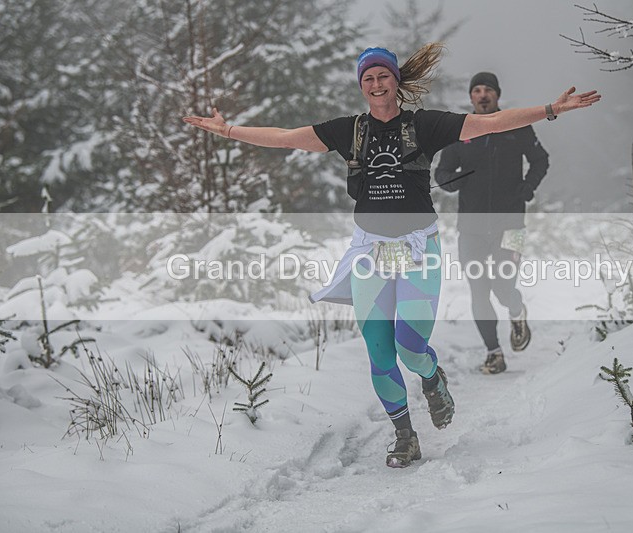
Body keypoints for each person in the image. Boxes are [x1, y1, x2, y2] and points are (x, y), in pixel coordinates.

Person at [183, 44, 600, 468]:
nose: (377, 84)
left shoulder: (426, 125)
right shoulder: (350, 130)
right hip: (370, 252)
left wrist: (551, 109)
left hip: (418, 248)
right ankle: (404, 435)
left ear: (396, 81)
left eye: (383, 76)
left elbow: (492, 123)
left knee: (410, 345)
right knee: (380, 355)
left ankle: (432, 377)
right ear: (361, 86)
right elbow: (287, 138)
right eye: (368, 78)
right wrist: (229, 130)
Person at [435, 72, 549, 375]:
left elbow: (541, 160)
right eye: (477, 90)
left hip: (512, 224)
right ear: (471, 97)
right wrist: (453, 181)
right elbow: (442, 173)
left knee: (502, 286)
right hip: (470, 227)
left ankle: (516, 309)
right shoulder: (460, 131)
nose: (482, 95)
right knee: (478, 290)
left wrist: (528, 188)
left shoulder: (518, 124)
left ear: (497, 94)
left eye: (487, 90)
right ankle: (494, 353)